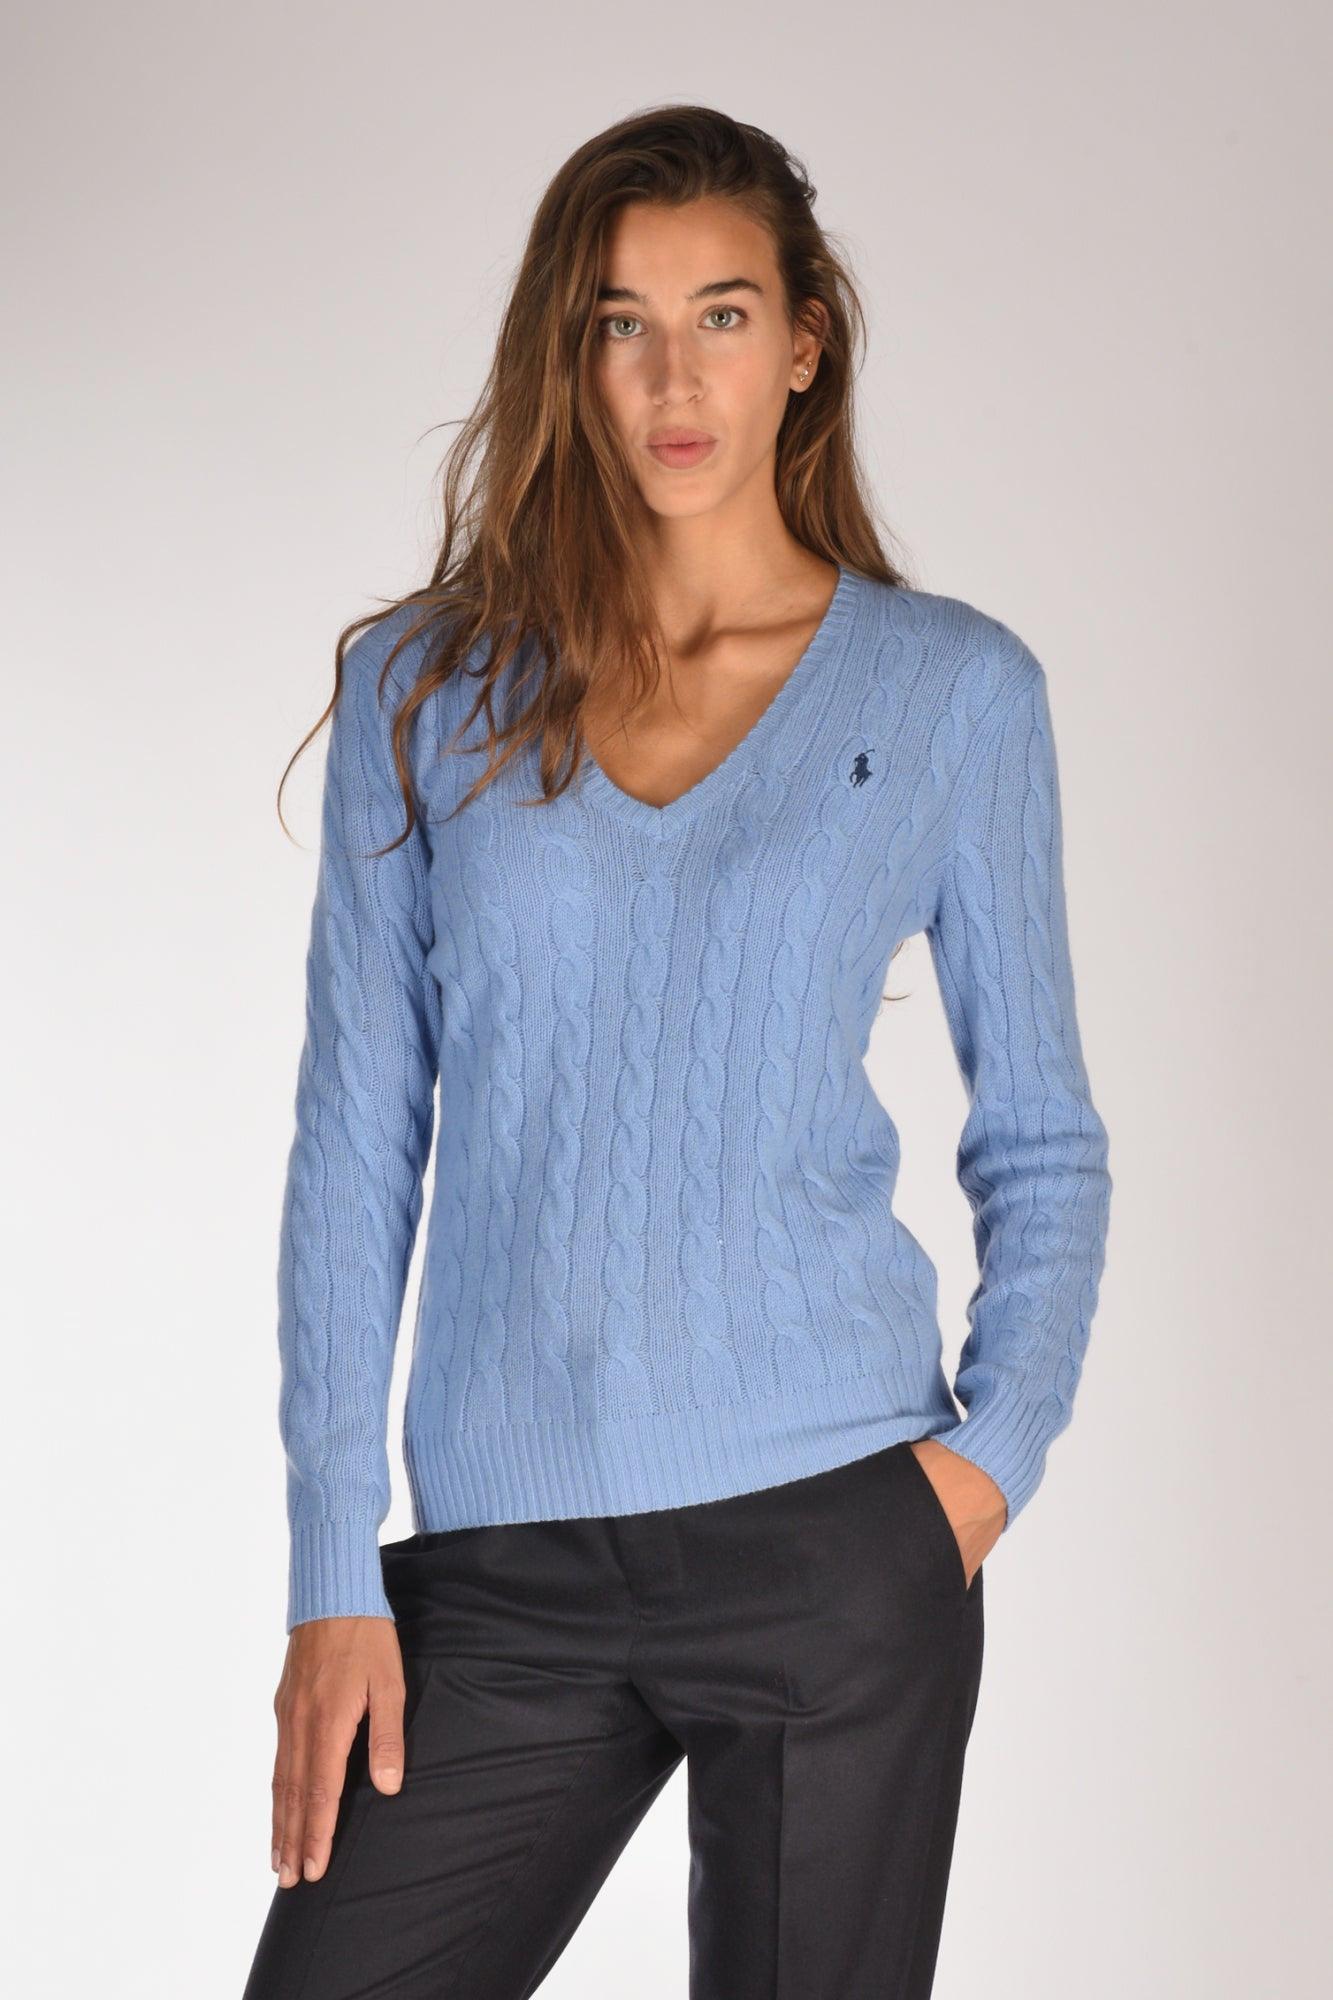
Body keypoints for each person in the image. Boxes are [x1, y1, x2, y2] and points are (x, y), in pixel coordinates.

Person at [243, 102, 1112, 2000]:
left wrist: (983, 1467)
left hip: (835, 1540)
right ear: (566, 355)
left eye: (720, 314)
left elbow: (1039, 1135)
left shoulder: (953, 693)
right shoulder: (426, 687)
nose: (670, 377)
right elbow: (354, 1140)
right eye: (618, 324)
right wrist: (328, 1567)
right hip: (499, 1571)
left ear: (803, 340)